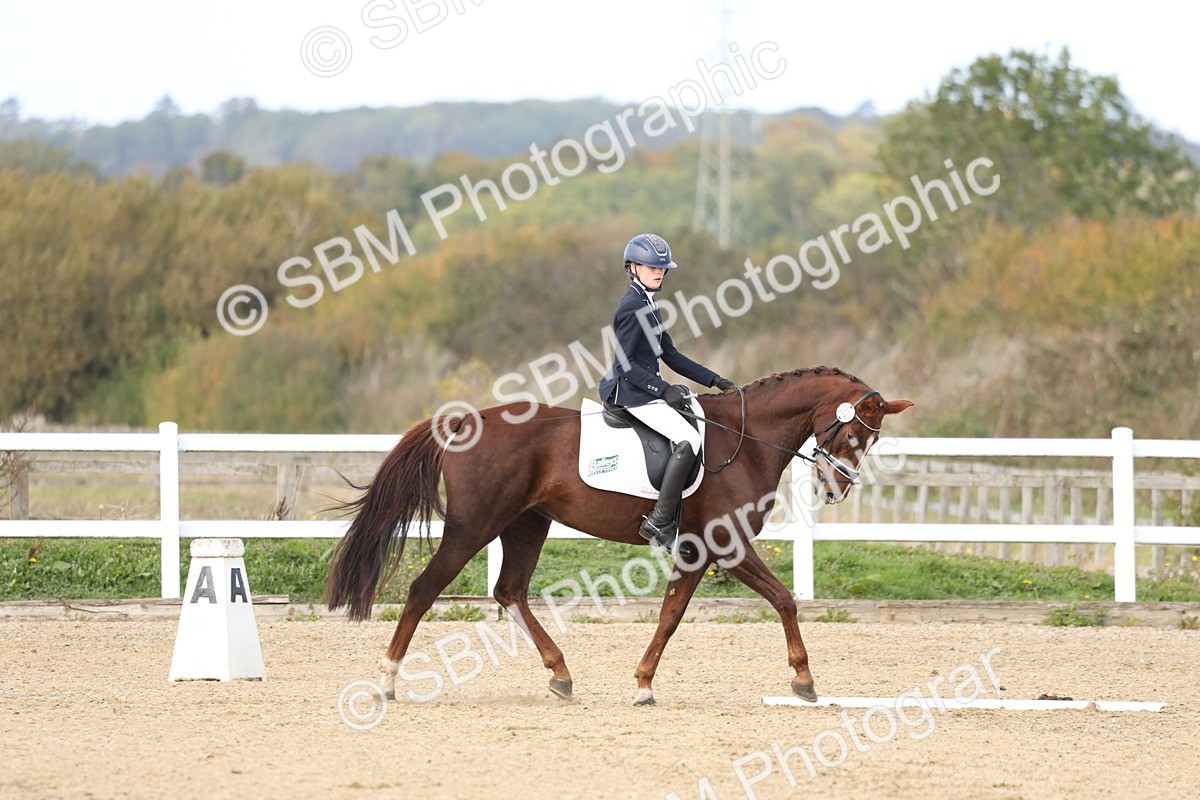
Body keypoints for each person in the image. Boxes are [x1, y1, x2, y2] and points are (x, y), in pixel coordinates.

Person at [597, 233, 737, 557]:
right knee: (689, 440)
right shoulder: (631, 306)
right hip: (631, 393)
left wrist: (715, 380)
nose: (658, 272)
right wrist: (663, 390)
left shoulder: (649, 303)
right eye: (650, 267)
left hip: (644, 389)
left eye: (662, 268)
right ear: (632, 267)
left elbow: (670, 355)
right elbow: (627, 366)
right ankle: (659, 522)